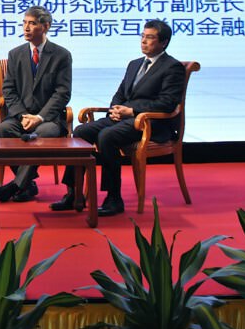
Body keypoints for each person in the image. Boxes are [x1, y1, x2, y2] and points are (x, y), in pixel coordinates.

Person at [53, 19, 184, 217]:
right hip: (125, 118)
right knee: (81, 132)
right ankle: (74, 192)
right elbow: (121, 93)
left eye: (150, 38)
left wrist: (131, 111)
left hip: (151, 123)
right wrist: (114, 110)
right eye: (142, 36)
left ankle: (113, 198)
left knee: (107, 136)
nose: (144, 41)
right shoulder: (135, 64)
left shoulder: (172, 67)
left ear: (163, 42)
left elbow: (167, 103)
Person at [0, 6, 72, 203]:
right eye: (24, 23)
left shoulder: (61, 55)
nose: (26, 28)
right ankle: (27, 184)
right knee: (2, 131)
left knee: (40, 134)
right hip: (21, 116)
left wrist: (39, 117)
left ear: (46, 26)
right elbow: (8, 90)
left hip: (49, 119)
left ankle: (17, 185)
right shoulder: (15, 54)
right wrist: (22, 116)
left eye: (32, 23)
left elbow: (62, 93)